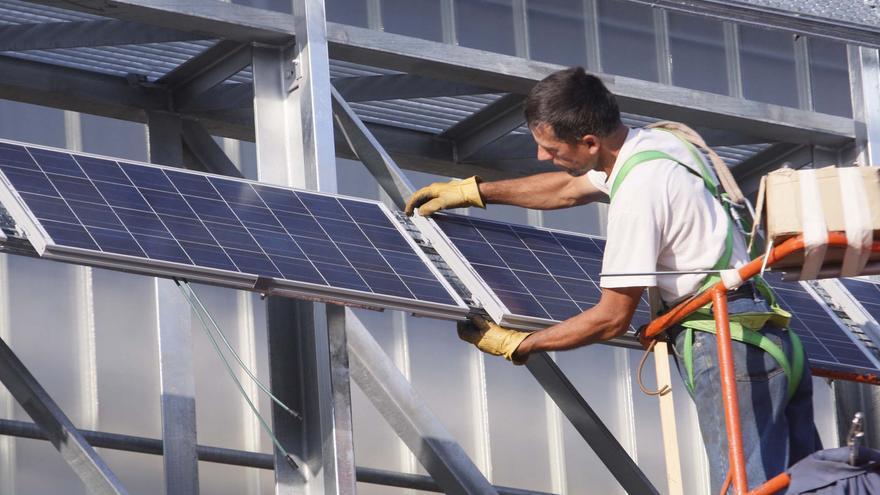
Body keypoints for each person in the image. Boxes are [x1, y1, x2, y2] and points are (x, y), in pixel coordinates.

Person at [404, 67, 820, 492]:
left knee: (745, 489)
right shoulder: (659, 143)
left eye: (550, 148)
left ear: (589, 142)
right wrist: (476, 191)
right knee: (812, 483)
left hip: (728, 347)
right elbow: (566, 190)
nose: (543, 157)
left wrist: (520, 343)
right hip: (771, 337)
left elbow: (611, 318)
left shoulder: (638, 193)